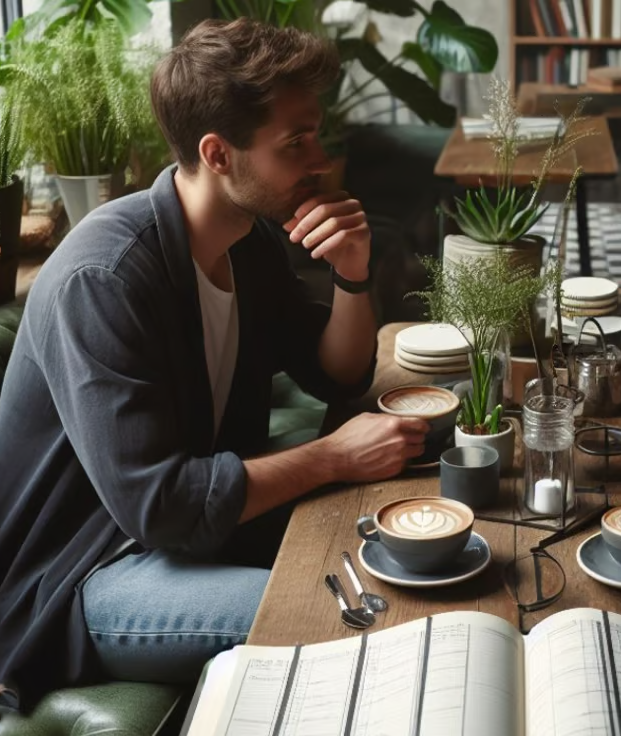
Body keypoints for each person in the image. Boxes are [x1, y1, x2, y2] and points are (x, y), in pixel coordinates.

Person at [0, 19, 429, 712]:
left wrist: (352, 272)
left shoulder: (247, 242)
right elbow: (160, 504)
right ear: (217, 154)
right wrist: (333, 457)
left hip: (193, 535)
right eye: (295, 142)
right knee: (347, 609)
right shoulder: (105, 279)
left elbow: (336, 374)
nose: (320, 160)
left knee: (411, 550)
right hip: (80, 574)